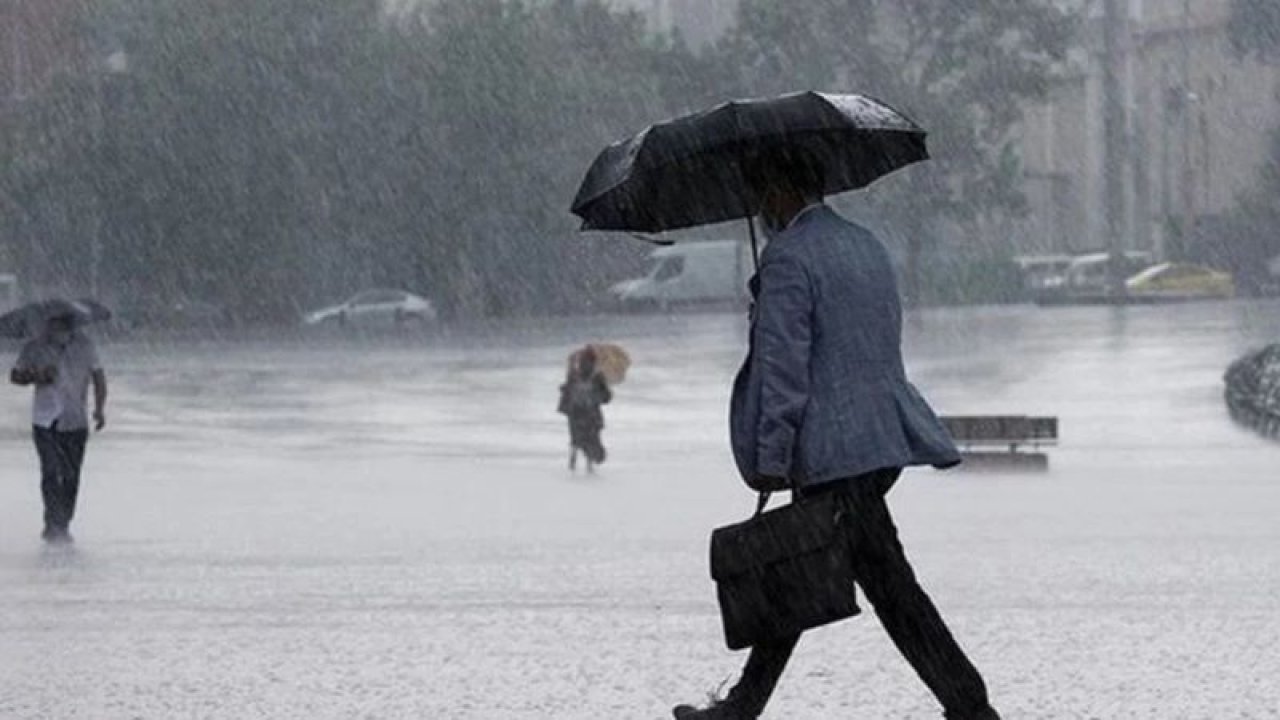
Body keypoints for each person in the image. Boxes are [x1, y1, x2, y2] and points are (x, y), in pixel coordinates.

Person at [672, 148, 999, 720]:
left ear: (779, 189)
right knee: (803, 568)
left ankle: (969, 702)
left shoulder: (789, 260)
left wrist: (771, 456)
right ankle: (745, 704)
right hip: (878, 441)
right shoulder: (865, 245)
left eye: (760, 194)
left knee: (883, 587)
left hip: (831, 451)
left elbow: (783, 370)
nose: (758, 206)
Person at [9, 312, 108, 543]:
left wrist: (100, 409)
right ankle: (52, 522)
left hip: (75, 420)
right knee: (51, 471)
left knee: (71, 475)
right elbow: (15, 375)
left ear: (70, 325)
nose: (56, 330)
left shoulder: (86, 346)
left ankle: (64, 522)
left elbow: (99, 377)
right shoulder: (34, 347)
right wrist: (36, 375)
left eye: (61, 325)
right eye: (52, 324)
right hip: (45, 420)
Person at [558, 345, 612, 472]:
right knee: (591, 439)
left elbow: (566, 392)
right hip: (591, 413)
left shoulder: (574, 375)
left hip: (576, 413)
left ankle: (573, 463)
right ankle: (589, 464)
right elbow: (606, 398)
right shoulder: (597, 377)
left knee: (576, 439)